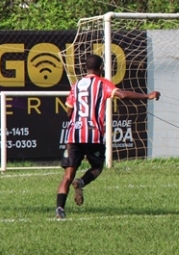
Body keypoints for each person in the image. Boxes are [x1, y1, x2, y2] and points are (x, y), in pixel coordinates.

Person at [55, 55, 160, 219]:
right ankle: (81, 182)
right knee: (97, 168)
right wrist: (147, 96)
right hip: (93, 135)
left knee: (68, 175)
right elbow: (123, 95)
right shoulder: (103, 83)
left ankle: (60, 210)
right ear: (101, 68)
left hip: (74, 134)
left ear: (85, 68)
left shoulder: (76, 85)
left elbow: (68, 109)